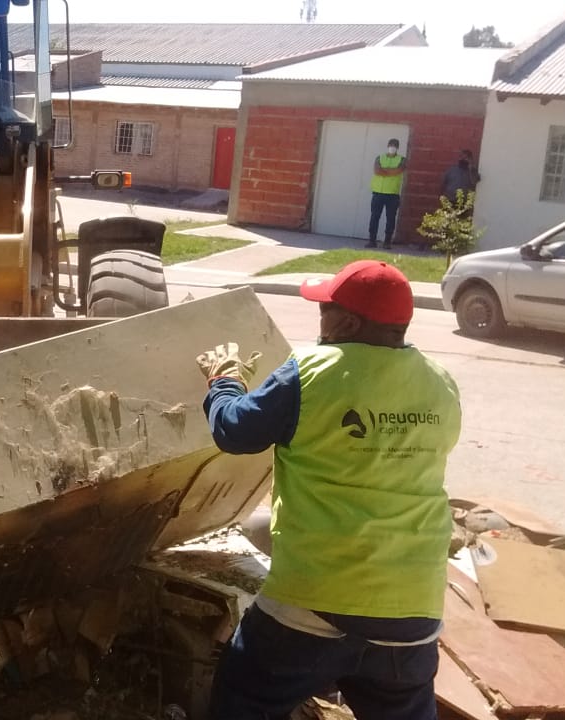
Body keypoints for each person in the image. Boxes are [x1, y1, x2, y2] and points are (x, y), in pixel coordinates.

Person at [197, 260, 462, 720]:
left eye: (325, 310)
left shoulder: (314, 371)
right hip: (412, 613)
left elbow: (235, 432)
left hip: (316, 604)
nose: (320, 320)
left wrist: (224, 381)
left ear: (348, 322)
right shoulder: (440, 383)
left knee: (242, 699)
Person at [367, 138, 406, 249]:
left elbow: (399, 171)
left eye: (395, 145)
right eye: (391, 145)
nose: (392, 147)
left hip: (392, 194)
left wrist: (384, 171)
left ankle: (387, 242)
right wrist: (390, 172)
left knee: (390, 219)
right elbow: (377, 170)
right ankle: (372, 241)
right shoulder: (380, 158)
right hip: (378, 193)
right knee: (374, 217)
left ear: (397, 148)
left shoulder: (402, 159)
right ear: (387, 145)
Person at [441, 149, 481, 213]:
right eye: (461, 157)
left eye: (465, 158)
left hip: (464, 204)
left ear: (470, 159)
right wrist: (443, 198)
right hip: (450, 201)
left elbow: (474, 182)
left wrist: (470, 169)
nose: (462, 159)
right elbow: (443, 184)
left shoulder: (473, 171)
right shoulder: (452, 170)